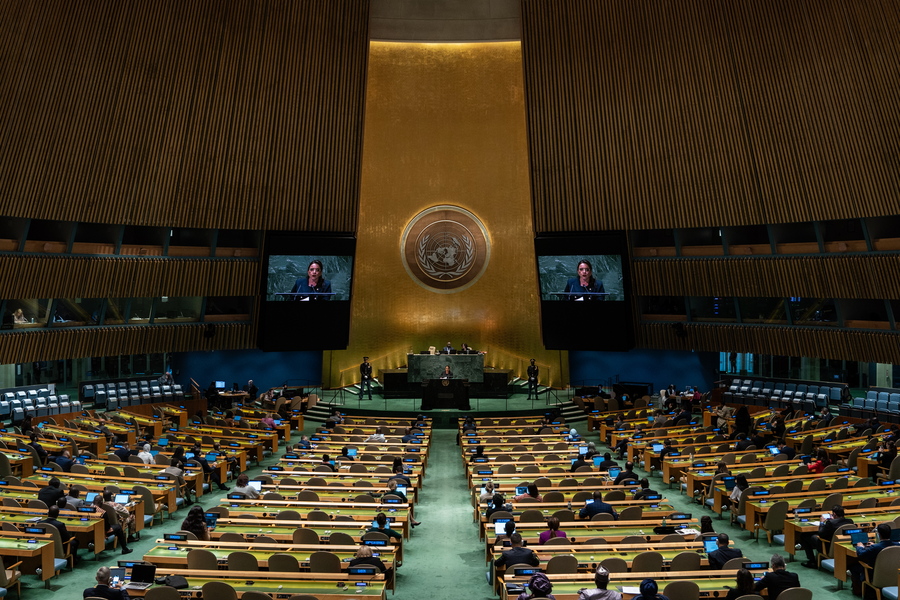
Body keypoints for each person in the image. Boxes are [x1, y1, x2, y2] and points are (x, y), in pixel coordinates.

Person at [849, 523, 896, 595]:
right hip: (894, 574)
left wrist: (859, 547)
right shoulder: (897, 545)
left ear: (879, 534)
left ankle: (858, 591)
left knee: (854, 567)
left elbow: (861, 554)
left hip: (876, 574)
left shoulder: (875, 548)